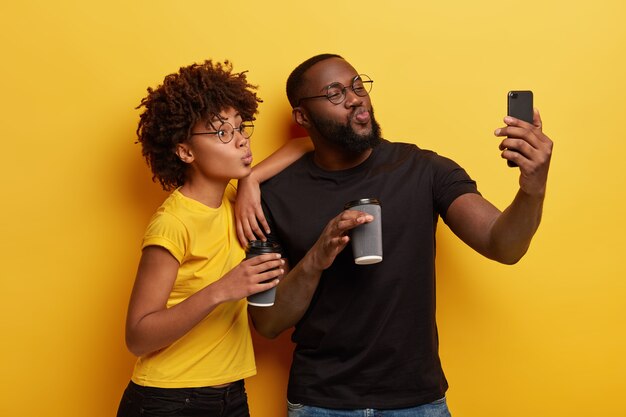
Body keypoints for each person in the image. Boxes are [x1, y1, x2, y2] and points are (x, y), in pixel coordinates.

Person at [236, 53, 553, 416]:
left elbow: (504, 245)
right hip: (320, 404)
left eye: (358, 86)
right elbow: (268, 322)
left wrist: (533, 187)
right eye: (335, 93)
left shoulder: (423, 169)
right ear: (302, 116)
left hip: (417, 403)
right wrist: (317, 257)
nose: (355, 98)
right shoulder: (274, 197)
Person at [116, 59, 310, 417]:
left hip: (230, 395)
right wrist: (224, 289)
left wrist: (251, 179)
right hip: (169, 400)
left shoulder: (236, 200)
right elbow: (138, 336)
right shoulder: (173, 222)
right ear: (185, 151)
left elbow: (306, 145)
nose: (241, 141)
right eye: (222, 133)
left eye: (241, 127)